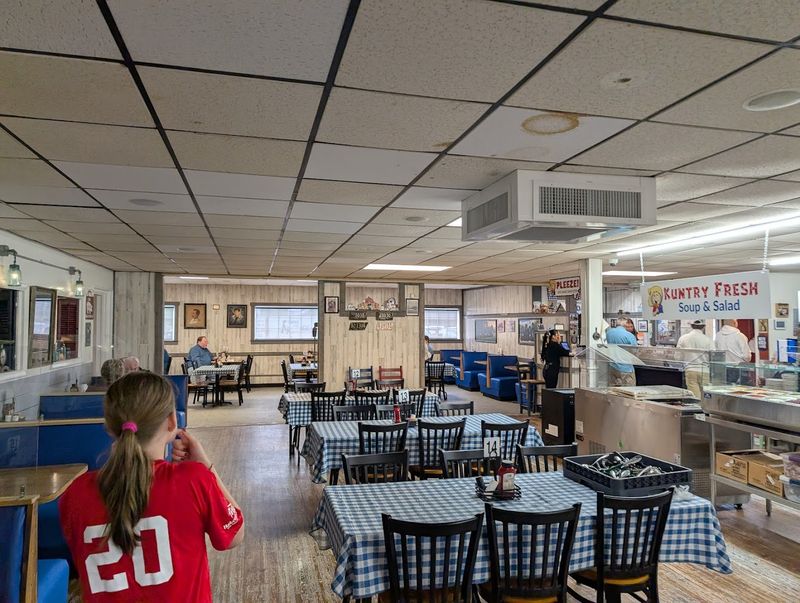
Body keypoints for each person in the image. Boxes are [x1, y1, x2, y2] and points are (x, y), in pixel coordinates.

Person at [59, 372, 243, 602]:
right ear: (172, 422)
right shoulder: (194, 480)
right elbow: (234, 534)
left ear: (109, 427)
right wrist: (206, 465)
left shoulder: (76, 494)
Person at [676, 319, 715, 398]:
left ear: (691, 326)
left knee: (695, 397)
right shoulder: (708, 340)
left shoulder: (683, 338)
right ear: (703, 327)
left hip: (690, 370)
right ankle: (706, 409)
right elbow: (713, 356)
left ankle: (698, 409)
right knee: (706, 396)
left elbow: (677, 357)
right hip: (705, 370)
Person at [605, 317, 637, 386]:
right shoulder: (629, 335)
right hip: (625, 368)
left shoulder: (609, 333)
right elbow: (635, 351)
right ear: (625, 324)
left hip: (612, 366)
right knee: (628, 391)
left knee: (614, 391)